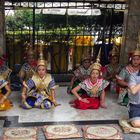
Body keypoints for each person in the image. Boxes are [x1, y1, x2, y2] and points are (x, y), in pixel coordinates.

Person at [21, 45, 59, 109]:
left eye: (43, 70)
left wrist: (54, 99)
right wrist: (23, 94)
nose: (41, 71)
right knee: (27, 104)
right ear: (37, 70)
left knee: (47, 105)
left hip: (45, 95)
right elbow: (26, 86)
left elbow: (52, 89)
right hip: (36, 94)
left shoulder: (50, 77)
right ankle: (36, 103)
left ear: (46, 70)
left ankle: (39, 104)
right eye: (39, 70)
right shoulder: (34, 77)